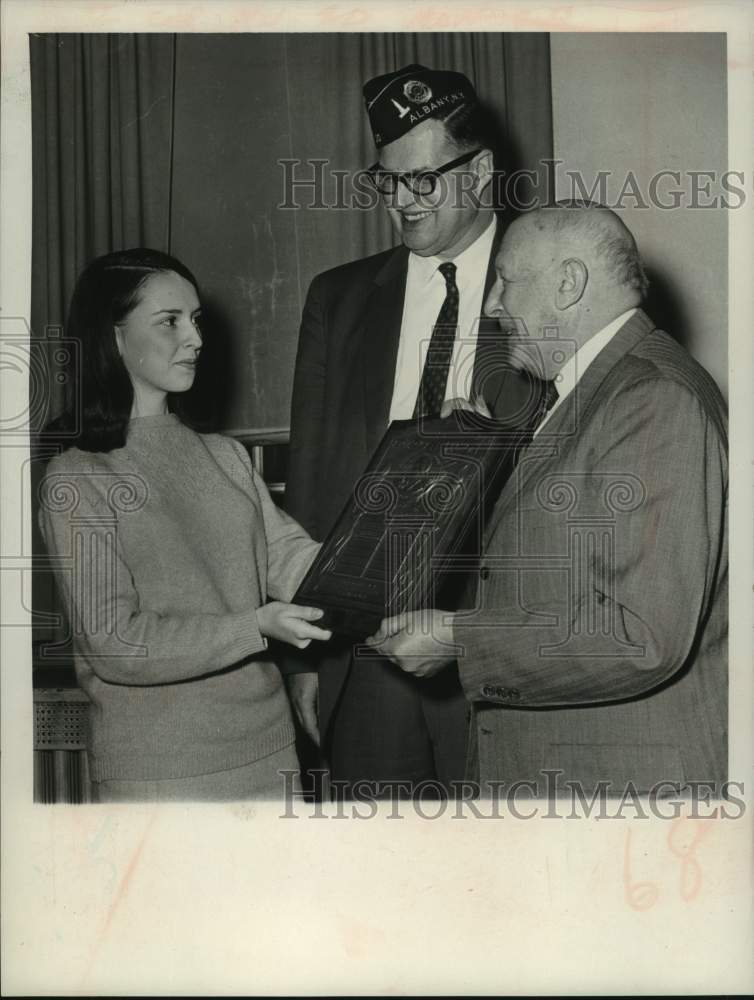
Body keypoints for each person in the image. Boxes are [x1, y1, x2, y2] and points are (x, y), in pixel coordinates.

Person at [371, 203, 728, 796]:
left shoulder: (653, 397)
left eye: (506, 279)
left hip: (624, 792)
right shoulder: (593, 391)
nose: (491, 304)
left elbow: (639, 636)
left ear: (568, 284)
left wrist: (461, 639)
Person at [284, 64, 543, 796]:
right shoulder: (336, 300)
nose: (401, 200)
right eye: (388, 180)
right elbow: (311, 485)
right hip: (369, 653)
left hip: (496, 643)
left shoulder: (548, 273)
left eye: (422, 180)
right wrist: (303, 654)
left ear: (481, 169)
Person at [39, 249, 331, 802]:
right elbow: (118, 642)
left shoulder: (224, 456)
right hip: (162, 774)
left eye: (195, 320)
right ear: (114, 337)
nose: (195, 338)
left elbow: (293, 560)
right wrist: (257, 626)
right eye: (170, 321)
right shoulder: (77, 476)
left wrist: (389, 564)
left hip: (271, 755)